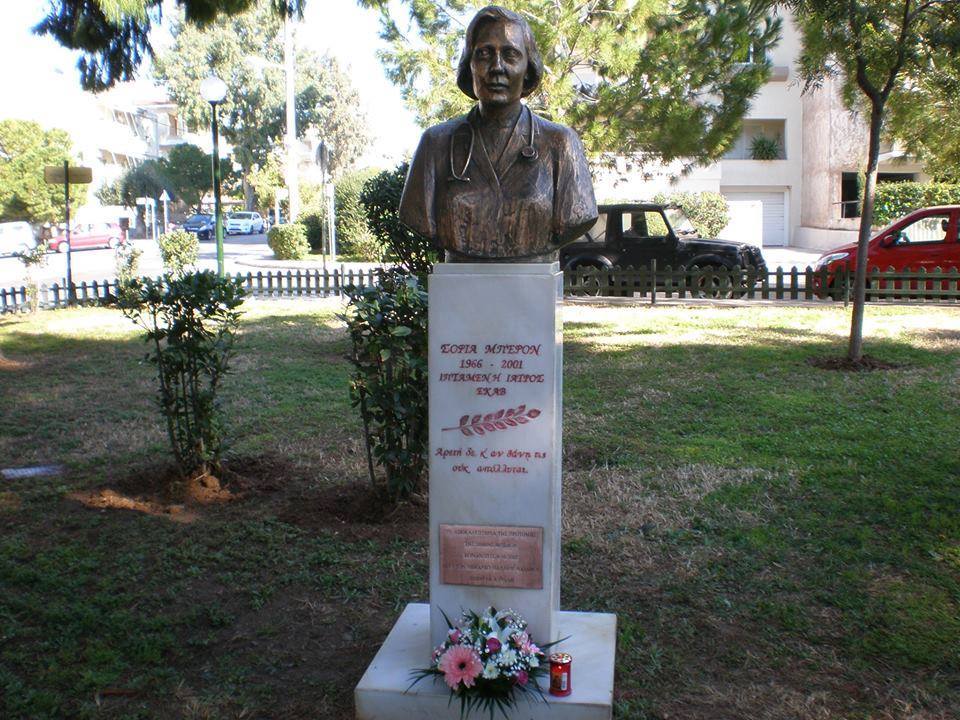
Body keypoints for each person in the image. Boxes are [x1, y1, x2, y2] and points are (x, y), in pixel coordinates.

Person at [399, 5, 597, 262]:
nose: (497, 67)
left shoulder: (561, 144)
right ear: (469, 65)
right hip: (460, 276)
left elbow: (578, 216)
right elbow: (417, 216)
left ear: (528, 68)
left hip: (533, 277)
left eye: (510, 54)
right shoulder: (435, 143)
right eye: (484, 54)